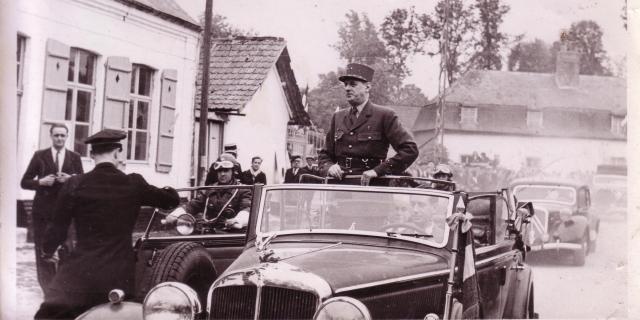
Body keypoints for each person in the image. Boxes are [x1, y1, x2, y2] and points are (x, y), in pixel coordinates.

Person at [34, 129, 180, 319]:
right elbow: (170, 200)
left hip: (78, 275)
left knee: (47, 315)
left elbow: (57, 228)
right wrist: (166, 189)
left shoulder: (75, 184)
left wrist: (47, 251)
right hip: (118, 275)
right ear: (117, 152)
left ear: (92, 154)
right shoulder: (133, 183)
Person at [318, 63, 418, 185]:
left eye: (353, 84)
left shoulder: (384, 115)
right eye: (346, 84)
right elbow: (324, 155)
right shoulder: (338, 117)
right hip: (340, 189)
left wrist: (378, 171)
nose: (347, 88)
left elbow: (410, 150)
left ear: (368, 87)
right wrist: (329, 167)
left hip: (372, 189)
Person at [20, 123, 84, 297]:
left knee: (66, 250)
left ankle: (62, 289)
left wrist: (71, 179)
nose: (59, 139)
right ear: (51, 136)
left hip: (66, 213)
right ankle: (47, 291)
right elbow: (24, 181)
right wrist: (40, 182)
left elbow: (82, 182)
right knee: (43, 251)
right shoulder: (40, 156)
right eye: (56, 135)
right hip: (43, 213)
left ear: (67, 136)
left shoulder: (74, 157)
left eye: (63, 136)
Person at [168, 160, 252, 229]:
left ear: (233, 172)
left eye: (226, 171)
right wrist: (175, 214)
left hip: (230, 233)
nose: (222, 174)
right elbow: (193, 205)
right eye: (219, 171)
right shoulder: (209, 189)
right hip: (208, 230)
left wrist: (238, 220)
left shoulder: (242, 190)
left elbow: (247, 208)